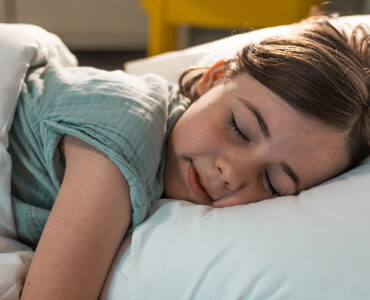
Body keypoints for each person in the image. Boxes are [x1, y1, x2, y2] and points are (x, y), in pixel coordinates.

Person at [7, 15, 369, 299]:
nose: (231, 171)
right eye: (239, 128)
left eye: (273, 183)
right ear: (212, 80)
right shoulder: (128, 132)